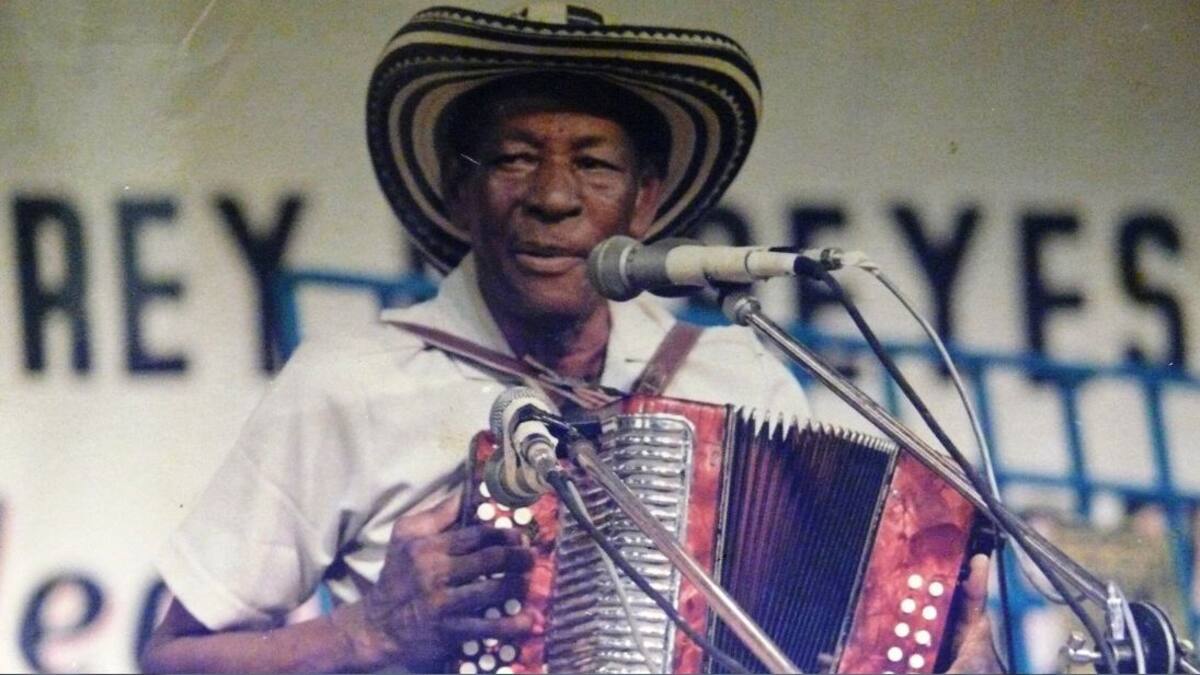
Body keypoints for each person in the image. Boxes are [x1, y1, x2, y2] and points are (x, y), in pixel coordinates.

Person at [140, 4, 1000, 673]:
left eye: (594, 162)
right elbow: (171, 657)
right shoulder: (350, 381)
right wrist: (369, 632)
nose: (553, 197)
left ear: (645, 200)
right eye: (515, 157)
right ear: (459, 192)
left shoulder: (736, 373)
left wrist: (954, 653)